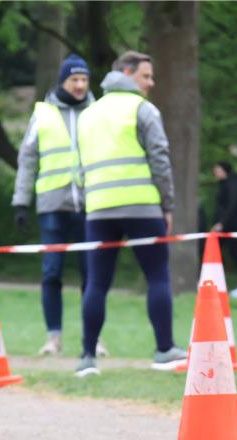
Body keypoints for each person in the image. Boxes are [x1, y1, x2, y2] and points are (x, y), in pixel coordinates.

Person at [75, 50, 187, 376]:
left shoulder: (88, 115)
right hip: (142, 207)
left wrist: (90, 201)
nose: (151, 83)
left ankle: (87, 358)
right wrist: (168, 205)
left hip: (98, 209)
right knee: (157, 276)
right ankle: (164, 350)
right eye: (146, 76)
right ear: (127, 72)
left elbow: (80, 168)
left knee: (97, 282)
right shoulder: (144, 109)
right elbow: (161, 161)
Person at [12, 54, 107, 358]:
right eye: (74, 79)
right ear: (62, 81)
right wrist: (20, 202)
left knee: (91, 274)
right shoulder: (43, 113)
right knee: (52, 273)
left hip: (91, 205)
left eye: (84, 79)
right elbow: (27, 159)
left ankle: (94, 339)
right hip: (53, 206)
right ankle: (53, 338)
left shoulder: (98, 112)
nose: (80, 85)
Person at [211, 161, 237, 298]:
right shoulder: (224, 184)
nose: (215, 173)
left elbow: (233, 205)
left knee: (234, 253)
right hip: (224, 224)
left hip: (230, 225)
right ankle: (212, 281)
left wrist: (222, 223)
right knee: (215, 251)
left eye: (217, 170)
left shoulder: (233, 183)